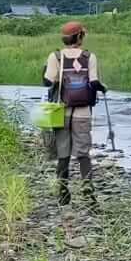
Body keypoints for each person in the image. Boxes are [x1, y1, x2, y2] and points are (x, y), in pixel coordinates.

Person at [43, 21, 106, 206]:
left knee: (63, 153)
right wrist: (104, 88)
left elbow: (47, 82)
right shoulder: (89, 56)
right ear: (80, 36)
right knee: (83, 154)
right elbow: (94, 83)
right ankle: (88, 194)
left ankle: (63, 194)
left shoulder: (55, 56)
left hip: (60, 112)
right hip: (83, 112)